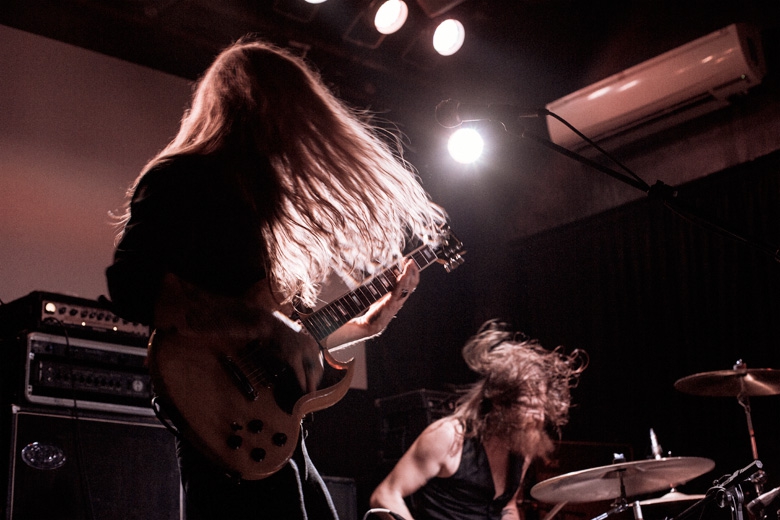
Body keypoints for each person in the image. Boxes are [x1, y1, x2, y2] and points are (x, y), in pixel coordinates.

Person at [105, 36, 448, 520]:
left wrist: (366, 325)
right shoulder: (179, 177)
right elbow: (131, 284)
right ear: (257, 108)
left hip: (273, 431)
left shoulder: (257, 201)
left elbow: (282, 338)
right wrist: (268, 327)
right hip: (223, 425)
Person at [369, 320, 587, 520]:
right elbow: (386, 496)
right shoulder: (448, 436)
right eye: (529, 407)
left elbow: (507, 505)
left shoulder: (522, 448)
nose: (538, 418)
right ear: (500, 403)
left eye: (542, 409)